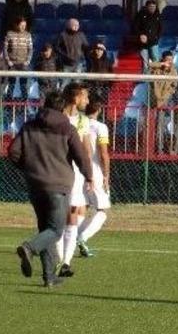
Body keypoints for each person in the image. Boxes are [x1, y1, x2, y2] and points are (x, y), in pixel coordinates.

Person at [11, 91, 92, 288]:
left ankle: (49, 276)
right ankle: (29, 248)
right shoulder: (67, 128)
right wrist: (89, 175)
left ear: (44, 104)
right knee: (55, 230)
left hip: (35, 185)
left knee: (45, 228)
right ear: (63, 107)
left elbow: (13, 152)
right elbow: (81, 156)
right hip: (58, 185)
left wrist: (30, 169)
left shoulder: (29, 126)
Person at [56, 82, 91, 278]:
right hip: (58, 170)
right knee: (57, 216)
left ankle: (65, 263)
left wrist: (88, 174)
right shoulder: (58, 118)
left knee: (72, 214)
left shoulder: (83, 121)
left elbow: (87, 150)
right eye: (85, 97)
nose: (87, 101)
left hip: (75, 173)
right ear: (76, 98)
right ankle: (59, 259)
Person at [77, 101, 111, 258]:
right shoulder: (100, 127)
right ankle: (81, 238)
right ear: (98, 110)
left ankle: (68, 239)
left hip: (78, 170)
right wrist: (106, 174)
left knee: (80, 208)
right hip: (94, 171)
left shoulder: (79, 123)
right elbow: (103, 154)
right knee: (102, 211)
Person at [149, 51, 178, 154]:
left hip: (167, 101)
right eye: (167, 60)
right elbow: (148, 65)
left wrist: (167, 95)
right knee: (159, 126)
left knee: (169, 127)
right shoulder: (157, 68)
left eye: (171, 59)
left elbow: (174, 86)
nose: (169, 62)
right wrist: (161, 64)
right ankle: (159, 148)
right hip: (156, 101)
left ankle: (170, 148)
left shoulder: (174, 70)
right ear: (163, 59)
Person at [3, 17, 33, 98]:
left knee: (23, 85)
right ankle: (9, 105)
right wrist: (8, 60)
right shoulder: (9, 34)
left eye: (25, 25)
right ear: (16, 25)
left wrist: (28, 61)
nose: (23, 27)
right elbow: (5, 49)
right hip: (12, 64)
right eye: (21, 25)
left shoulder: (28, 35)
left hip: (23, 63)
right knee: (11, 85)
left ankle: (24, 105)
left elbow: (30, 49)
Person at [132, 0, 162, 73]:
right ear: (147, 7)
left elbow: (160, 28)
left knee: (156, 61)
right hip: (143, 44)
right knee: (144, 63)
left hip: (154, 42)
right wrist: (140, 35)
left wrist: (157, 37)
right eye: (150, 6)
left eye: (154, 6)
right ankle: (145, 79)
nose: (152, 8)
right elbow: (135, 27)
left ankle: (156, 77)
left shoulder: (158, 16)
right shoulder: (141, 15)